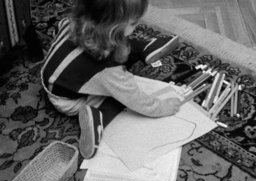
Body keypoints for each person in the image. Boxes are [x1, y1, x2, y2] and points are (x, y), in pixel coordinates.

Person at [40, 0, 182, 159]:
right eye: (134, 22)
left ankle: (141, 48)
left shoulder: (70, 22)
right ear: (113, 27)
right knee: (118, 98)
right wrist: (161, 107)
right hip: (68, 101)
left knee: (120, 42)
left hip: (51, 80)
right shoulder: (108, 69)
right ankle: (96, 117)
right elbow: (134, 98)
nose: (138, 24)